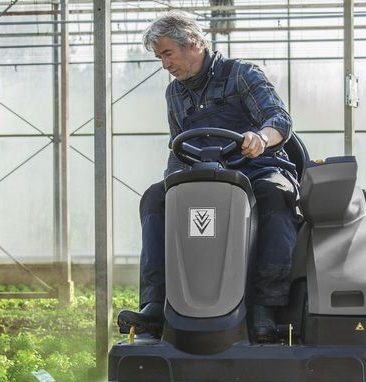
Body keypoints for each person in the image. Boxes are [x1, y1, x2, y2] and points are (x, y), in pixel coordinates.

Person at [120, 11, 299, 343]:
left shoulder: (241, 74)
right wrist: (173, 181)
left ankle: (266, 306)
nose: (164, 65)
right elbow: (178, 146)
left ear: (194, 43)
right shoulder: (174, 94)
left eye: (167, 54)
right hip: (202, 175)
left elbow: (279, 120)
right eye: (159, 57)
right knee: (156, 198)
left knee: (276, 194)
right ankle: (156, 304)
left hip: (257, 169)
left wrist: (260, 138)